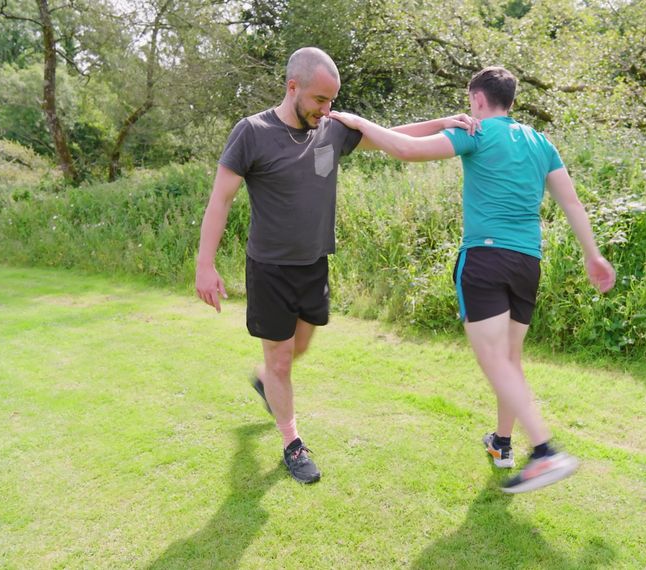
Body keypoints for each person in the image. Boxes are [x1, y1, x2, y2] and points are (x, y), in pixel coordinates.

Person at [194, 47, 478, 484]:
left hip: (313, 265)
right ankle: (292, 443)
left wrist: (443, 123)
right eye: (319, 100)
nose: (327, 110)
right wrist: (205, 263)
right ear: (293, 88)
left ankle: (263, 381)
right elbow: (221, 199)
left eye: (331, 101)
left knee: (298, 349)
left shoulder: (328, 130)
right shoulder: (251, 132)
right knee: (283, 360)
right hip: (269, 267)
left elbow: (388, 135)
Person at [329, 66, 616, 493]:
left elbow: (406, 150)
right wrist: (593, 254)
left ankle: (544, 452)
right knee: (510, 362)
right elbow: (571, 201)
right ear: (511, 100)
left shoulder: (476, 131)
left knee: (495, 362)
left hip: (484, 258)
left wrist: (356, 121)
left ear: (478, 99)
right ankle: (503, 444)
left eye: (469, 104)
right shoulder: (540, 142)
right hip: (527, 263)